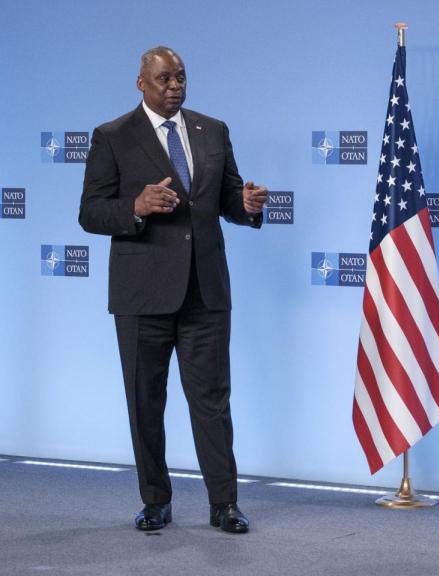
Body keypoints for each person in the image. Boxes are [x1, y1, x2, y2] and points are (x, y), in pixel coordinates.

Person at [78, 46, 268, 534]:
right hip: (142, 295)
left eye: (181, 76)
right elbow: (91, 212)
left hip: (205, 292)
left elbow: (226, 198)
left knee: (212, 402)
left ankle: (224, 504)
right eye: (164, 78)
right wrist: (136, 206)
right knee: (146, 402)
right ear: (141, 83)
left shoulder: (213, 130)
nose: (175, 85)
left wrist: (244, 204)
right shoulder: (112, 137)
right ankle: (155, 501)